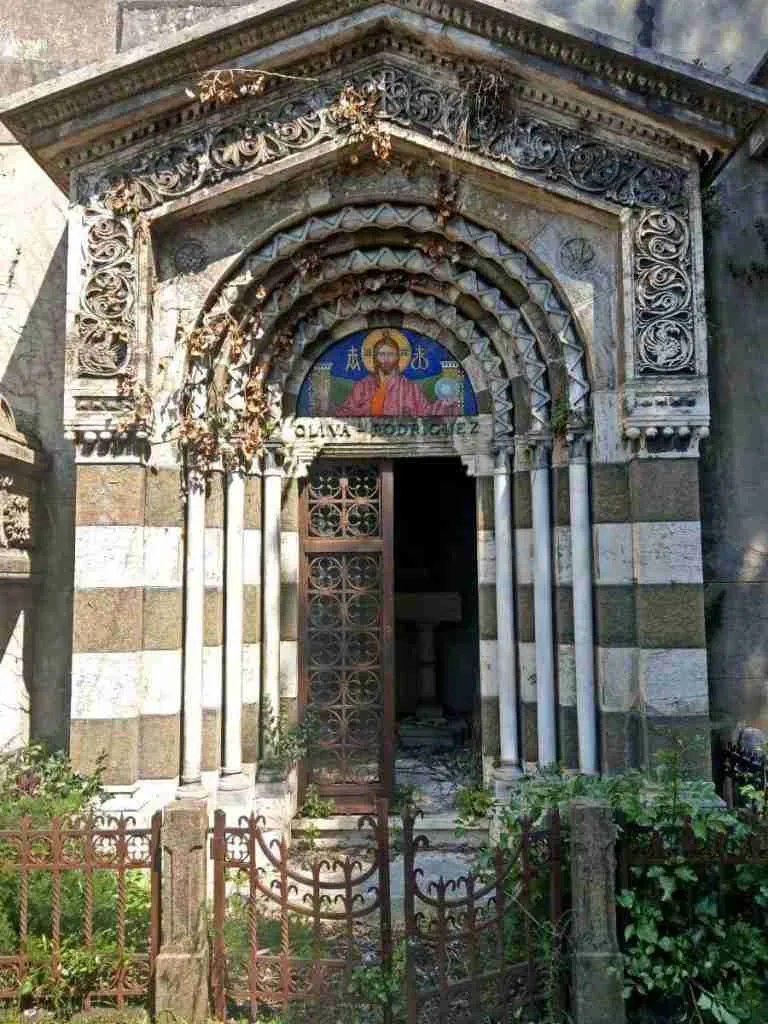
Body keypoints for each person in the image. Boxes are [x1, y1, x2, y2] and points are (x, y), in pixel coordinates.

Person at [334, 330, 460, 417]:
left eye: (391, 354)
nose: (386, 359)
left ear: (398, 357)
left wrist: (444, 405)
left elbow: (426, 413)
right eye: (382, 354)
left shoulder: (410, 388)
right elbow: (343, 412)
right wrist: (368, 408)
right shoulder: (362, 386)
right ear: (374, 358)